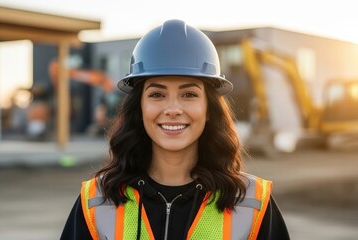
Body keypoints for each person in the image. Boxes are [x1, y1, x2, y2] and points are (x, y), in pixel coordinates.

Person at [60, 19, 289, 240]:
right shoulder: (96, 201)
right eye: (157, 94)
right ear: (139, 108)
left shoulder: (253, 203)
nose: (172, 109)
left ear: (209, 109)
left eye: (189, 94)